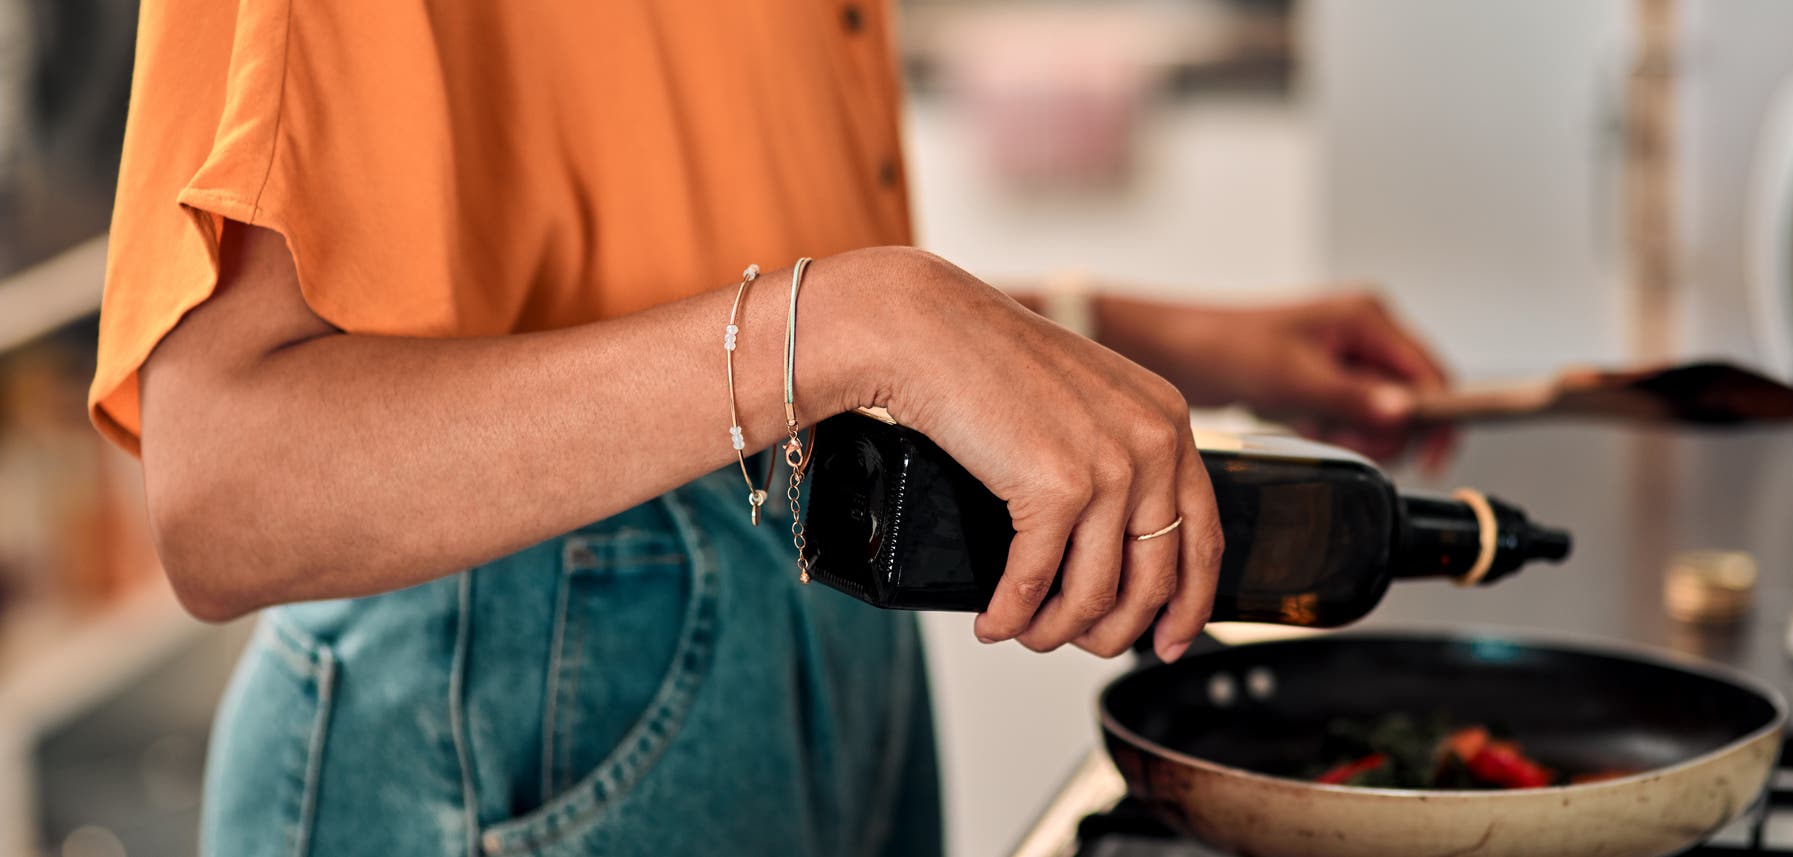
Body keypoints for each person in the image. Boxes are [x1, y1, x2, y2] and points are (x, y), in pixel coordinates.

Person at [90, 2, 1451, 855]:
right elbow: (226, 485)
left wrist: (1145, 332)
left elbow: (738, 291)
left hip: (816, 633)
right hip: (522, 711)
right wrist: (869, 324)